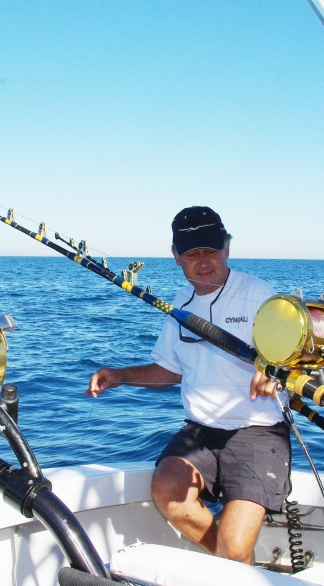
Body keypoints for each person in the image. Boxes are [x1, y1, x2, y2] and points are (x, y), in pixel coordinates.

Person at [86, 206, 290, 564]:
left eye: (211, 250)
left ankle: (234, 566)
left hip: (257, 432)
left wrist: (276, 364)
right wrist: (120, 375)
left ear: (227, 247)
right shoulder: (180, 303)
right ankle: (233, 565)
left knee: (236, 544)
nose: (204, 261)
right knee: (168, 491)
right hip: (201, 431)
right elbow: (170, 370)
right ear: (176, 257)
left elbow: (301, 343)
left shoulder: (260, 294)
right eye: (193, 253)